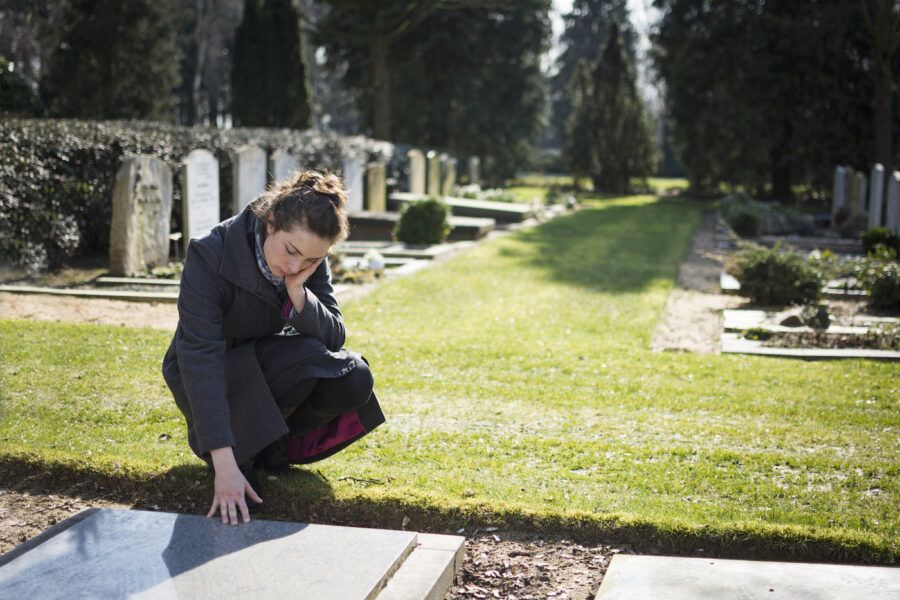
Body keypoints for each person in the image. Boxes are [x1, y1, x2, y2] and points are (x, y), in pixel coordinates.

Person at [161, 169, 384, 526]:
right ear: (270, 222)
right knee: (304, 362)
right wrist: (224, 463)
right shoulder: (209, 254)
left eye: (311, 260)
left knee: (354, 376)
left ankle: (270, 450)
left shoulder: (309, 255)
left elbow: (334, 335)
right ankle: (236, 452)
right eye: (291, 251)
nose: (296, 265)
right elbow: (201, 360)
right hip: (212, 373)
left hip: (270, 363)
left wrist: (298, 292)